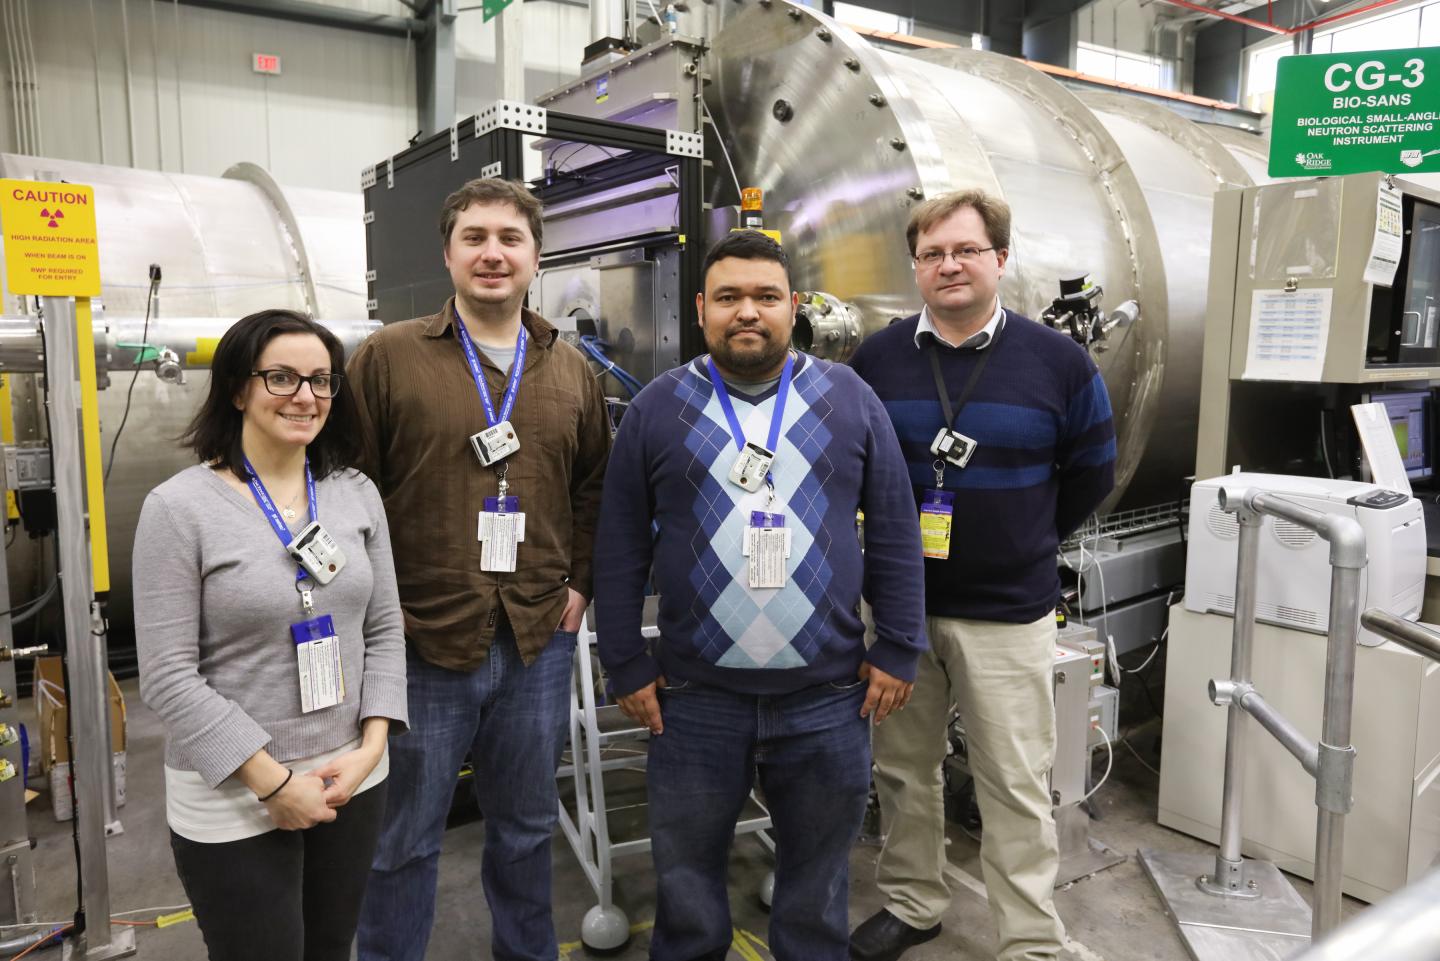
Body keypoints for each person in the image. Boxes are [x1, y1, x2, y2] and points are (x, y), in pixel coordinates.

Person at [594, 230, 927, 961]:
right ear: (701, 309)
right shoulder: (657, 407)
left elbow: (895, 525)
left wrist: (900, 644)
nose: (748, 311)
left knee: (817, 888)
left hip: (828, 697)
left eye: (766, 296)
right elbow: (618, 544)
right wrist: (623, 660)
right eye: (729, 297)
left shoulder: (849, 397)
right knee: (686, 887)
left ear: (793, 306)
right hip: (693, 700)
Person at [847, 190, 1116, 961]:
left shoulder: (1058, 362)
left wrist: (1024, 537)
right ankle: (914, 901)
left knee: (1015, 779)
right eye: (932, 254)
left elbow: (1093, 471)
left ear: (999, 258)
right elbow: (855, 470)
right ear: (916, 268)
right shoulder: (877, 359)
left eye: (966, 250)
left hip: (1008, 611)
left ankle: (1029, 936)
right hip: (900, 612)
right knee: (904, 769)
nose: (949, 265)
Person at [348, 177, 610, 961]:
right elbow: (346, 487)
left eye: (510, 238)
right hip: (420, 640)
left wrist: (581, 584)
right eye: (475, 237)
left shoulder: (571, 369)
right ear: (448, 253)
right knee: (402, 838)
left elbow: (594, 487)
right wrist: (371, 612)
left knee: (526, 827)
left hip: (536, 638)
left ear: (536, 257)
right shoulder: (389, 357)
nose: (492, 253)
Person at [133, 309, 409, 961]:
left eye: (321, 379)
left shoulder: (355, 492)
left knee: (330, 948)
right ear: (238, 389)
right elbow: (168, 677)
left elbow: (385, 627)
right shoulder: (178, 508)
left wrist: (372, 746)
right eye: (281, 377)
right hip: (234, 795)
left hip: (351, 777)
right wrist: (275, 784)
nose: (305, 396)